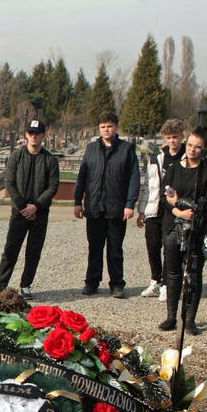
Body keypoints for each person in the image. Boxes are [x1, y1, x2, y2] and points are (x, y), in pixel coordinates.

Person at [155, 127, 207, 335]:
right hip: (173, 226)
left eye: (197, 147)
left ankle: (190, 319)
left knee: (194, 273)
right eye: (190, 145)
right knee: (172, 272)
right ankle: (171, 316)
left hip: (197, 228)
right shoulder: (174, 168)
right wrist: (177, 209)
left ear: (205, 148)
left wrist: (181, 203)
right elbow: (165, 197)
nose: (192, 150)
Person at [0, 119, 59, 299]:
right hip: (19, 212)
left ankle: (26, 285)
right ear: (26, 135)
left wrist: (36, 206)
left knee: (33, 251)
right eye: (31, 133)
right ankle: (0, 285)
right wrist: (22, 206)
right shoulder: (16, 156)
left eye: (37, 133)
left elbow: (53, 186)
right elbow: (10, 182)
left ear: (43, 135)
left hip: (39, 213)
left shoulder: (50, 159)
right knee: (11, 249)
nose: (34, 136)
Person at [73, 111, 140, 298]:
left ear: (116, 127)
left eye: (109, 126)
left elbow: (134, 178)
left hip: (116, 208)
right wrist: (78, 202)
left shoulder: (127, 149)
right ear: (99, 128)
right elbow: (83, 176)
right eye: (103, 127)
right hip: (94, 207)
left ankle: (117, 284)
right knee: (94, 248)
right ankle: (92, 282)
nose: (106, 130)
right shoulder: (91, 149)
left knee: (115, 249)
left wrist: (130, 204)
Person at [137, 119, 185, 300]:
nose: (172, 141)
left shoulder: (185, 157)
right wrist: (142, 210)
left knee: (169, 247)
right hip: (155, 207)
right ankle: (155, 280)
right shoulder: (156, 157)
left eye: (175, 137)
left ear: (182, 136)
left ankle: (167, 283)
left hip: (173, 209)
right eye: (169, 137)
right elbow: (148, 185)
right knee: (152, 245)